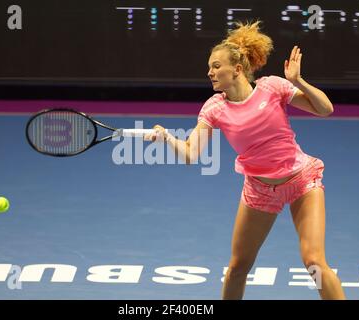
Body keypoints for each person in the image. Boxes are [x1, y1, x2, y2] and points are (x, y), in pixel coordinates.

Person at [145, 20, 346, 300]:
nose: (210, 72)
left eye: (216, 66)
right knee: (238, 267)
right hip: (260, 189)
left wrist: (297, 81)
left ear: (237, 69)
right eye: (209, 67)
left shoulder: (273, 88)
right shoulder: (214, 108)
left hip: (301, 180)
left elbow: (325, 109)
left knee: (314, 261)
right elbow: (192, 154)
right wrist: (167, 138)